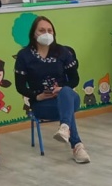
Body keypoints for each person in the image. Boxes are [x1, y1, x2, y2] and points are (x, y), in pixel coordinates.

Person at [14, 15, 90, 164]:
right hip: (43, 103)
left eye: (49, 30)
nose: (46, 33)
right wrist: (37, 96)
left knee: (66, 92)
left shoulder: (63, 52)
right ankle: (76, 145)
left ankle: (66, 129)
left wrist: (62, 89)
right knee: (66, 109)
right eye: (42, 30)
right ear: (33, 33)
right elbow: (20, 86)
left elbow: (75, 79)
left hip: (68, 98)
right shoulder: (24, 56)